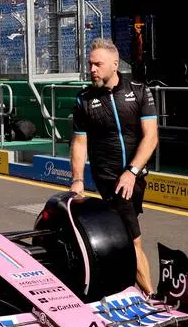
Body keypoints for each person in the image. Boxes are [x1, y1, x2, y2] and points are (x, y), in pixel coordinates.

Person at [68, 38, 159, 296]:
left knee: (124, 232)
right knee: (133, 238)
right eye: (90, 64)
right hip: (110, 178)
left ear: (115, 65)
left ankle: (123, 285)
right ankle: (150, 296)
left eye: (98, 64)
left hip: (136, 176)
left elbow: (150, 137)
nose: (92, 69)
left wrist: (132, 172)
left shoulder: (140, 91)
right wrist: (77, 180)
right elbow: (79, 142)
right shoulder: (83, 99)